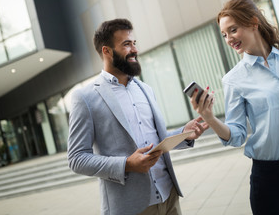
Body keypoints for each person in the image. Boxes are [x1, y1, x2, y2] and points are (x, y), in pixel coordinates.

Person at [189, 0, 279, 215]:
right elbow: (237, 135)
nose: (229, 39)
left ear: (253, 22)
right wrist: (210, 118)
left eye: (233, 30)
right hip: (271, 176)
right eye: (224, 34)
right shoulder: (234, 79)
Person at [67, 18, 209, 215]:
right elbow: (76, 158)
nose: (134, 49)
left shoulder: (145, 89)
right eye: (126, 44)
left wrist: (184, 133)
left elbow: (154, 141)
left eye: (134, 43)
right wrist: (126, 165)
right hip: (131, 207)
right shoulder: (85, 97)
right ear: (107, 51)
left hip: (169, 197)